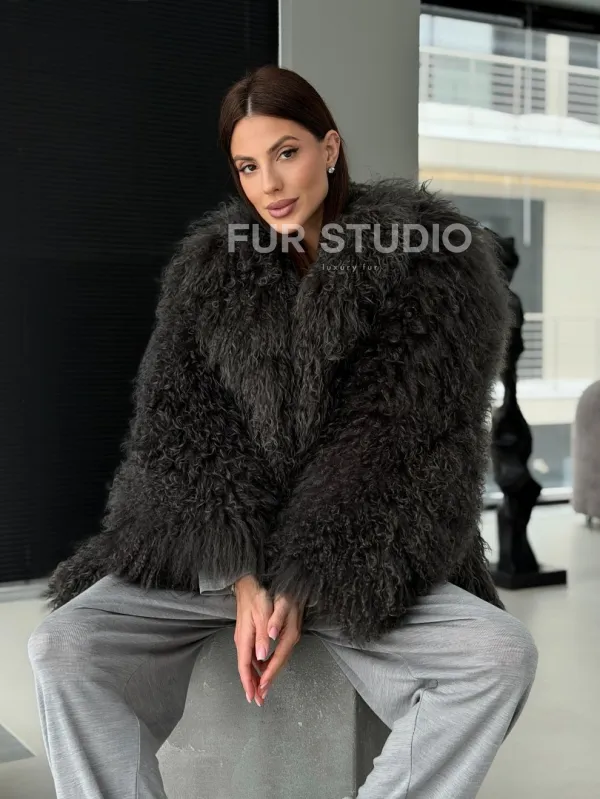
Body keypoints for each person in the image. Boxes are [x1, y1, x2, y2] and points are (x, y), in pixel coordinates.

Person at [28, 64, 538, 799]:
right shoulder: (211, 271)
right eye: (247, 165)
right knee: (65, 646)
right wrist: (241, 574)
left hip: (361, 556)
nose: (268, 183)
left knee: (499, 655)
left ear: (329, 148)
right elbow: (179, 430)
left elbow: (402, 445)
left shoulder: (429, 263)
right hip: (219, 568)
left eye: (286, 153)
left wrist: (303, 580)